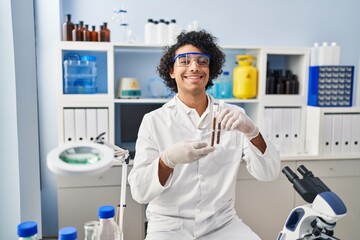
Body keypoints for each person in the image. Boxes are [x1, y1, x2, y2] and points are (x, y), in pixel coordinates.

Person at [128, 29, 280, 240]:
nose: (194, 67)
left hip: (223, 224)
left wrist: (252, 132)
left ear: (210, 70)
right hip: (169, 227)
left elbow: (269, 172)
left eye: (202, 61)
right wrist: (167, 160)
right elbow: (139, 191)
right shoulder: (154, 121)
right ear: (171, 71)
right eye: (184, 61)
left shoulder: (234, 116)